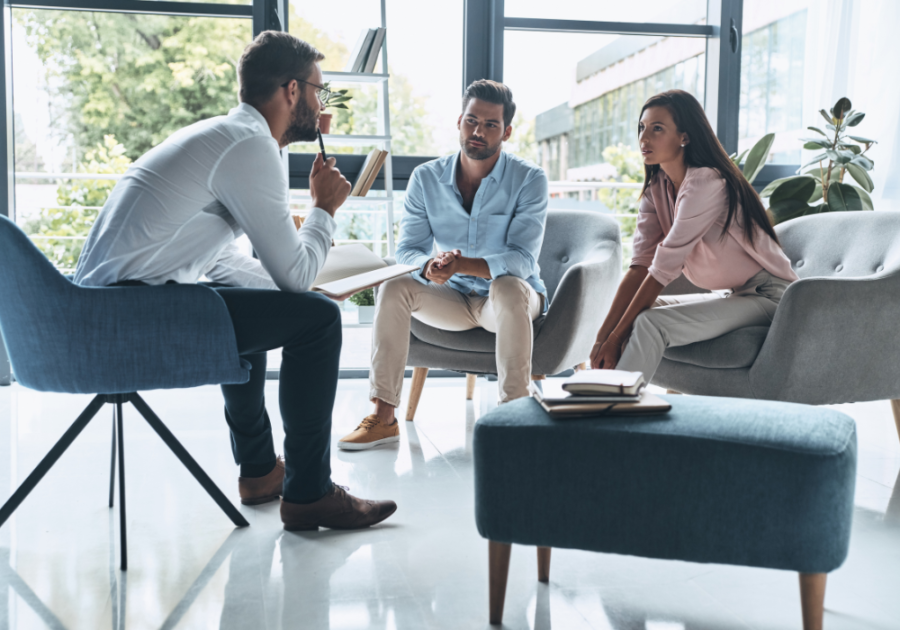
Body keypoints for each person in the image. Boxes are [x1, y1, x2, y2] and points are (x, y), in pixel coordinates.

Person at [74, 31, 396, 531]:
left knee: (264, 306)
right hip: (123, 319)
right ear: (292, 91)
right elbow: (293, 276)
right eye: (318, 90)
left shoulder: (224, 137)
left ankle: (261, 472)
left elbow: (222, 262)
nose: (320, 104)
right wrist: (323, 210)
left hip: (103, 311)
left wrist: (305, 286)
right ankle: (309, 493)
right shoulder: (250, 146)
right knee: (318, 322)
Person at [337, 79, 549, 451]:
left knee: (508, 285)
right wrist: (429, 266)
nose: (478, 132)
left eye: (490, 125)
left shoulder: (529, 179)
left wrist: (463, 264)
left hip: (505, 304)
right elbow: (407, 250)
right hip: (451, 298)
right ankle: (383, 416)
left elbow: (522, 260)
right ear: (459, 122)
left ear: (507, 131)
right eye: (471, 121)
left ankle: (514, 416)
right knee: (394, 284)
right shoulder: (426, 178)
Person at [590, 89, 799, 380]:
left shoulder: (706, 182)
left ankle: (609, 411)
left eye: (657, 129)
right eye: (642, 127)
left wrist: (615, 341)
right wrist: (601, 339)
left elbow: (663, 268)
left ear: (684, 137)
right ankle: (606, 397)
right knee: (638, 314)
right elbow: (639, 267)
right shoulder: (657, 189)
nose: (644, 138)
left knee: (651, 322)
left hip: (770, 296)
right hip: (732, 295)